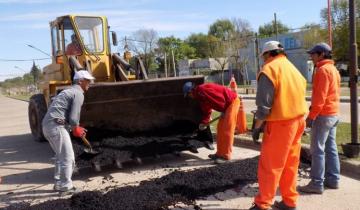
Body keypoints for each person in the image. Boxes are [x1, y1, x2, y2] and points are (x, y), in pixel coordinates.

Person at [250, 41, 307, 210]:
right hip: (298, 122)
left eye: (263, 56)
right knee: (290, 164)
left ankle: (263, 204)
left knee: (270, 166)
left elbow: (263, 108)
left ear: (267, 54)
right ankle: (289, 202)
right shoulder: (293, 69)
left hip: (280, 125)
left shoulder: (269, 69)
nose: (263, 60)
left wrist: (257, 127)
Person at [42, 70, 95, 194]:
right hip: (56, 126)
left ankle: (59, 184)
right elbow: (73, 118)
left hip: (48, 125)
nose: (90, 83)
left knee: (60, 157)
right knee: (68, 157)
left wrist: (74, 127)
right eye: (88, 81)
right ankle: (66, 186)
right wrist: (76, 127)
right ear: (80, 81)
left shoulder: (67, 92)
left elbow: (65, 115)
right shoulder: (78, 93)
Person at [298, 43, 340, 194]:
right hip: (333, 114)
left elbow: (319, 99)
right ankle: (333, 180)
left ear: (322, 54)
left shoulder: (322, 70)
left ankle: (316, 183)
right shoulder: (334, 69)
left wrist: (311, 117)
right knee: (331, 148)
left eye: (313, 54)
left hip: (323, 115)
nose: (311, 56)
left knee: (317, 150)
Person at [183, 82, 240, 164]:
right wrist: (204, 122)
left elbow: (219, 98)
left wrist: (223, 109)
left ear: (190, 91)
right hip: (226, 106)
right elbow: (207, 110)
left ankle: (226, 156)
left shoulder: (203, 90)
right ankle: (219, 154)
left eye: (188, 95)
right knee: (220, 129)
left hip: (232, 102)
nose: (190, 97)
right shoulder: (200, 96)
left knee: (227, 130)